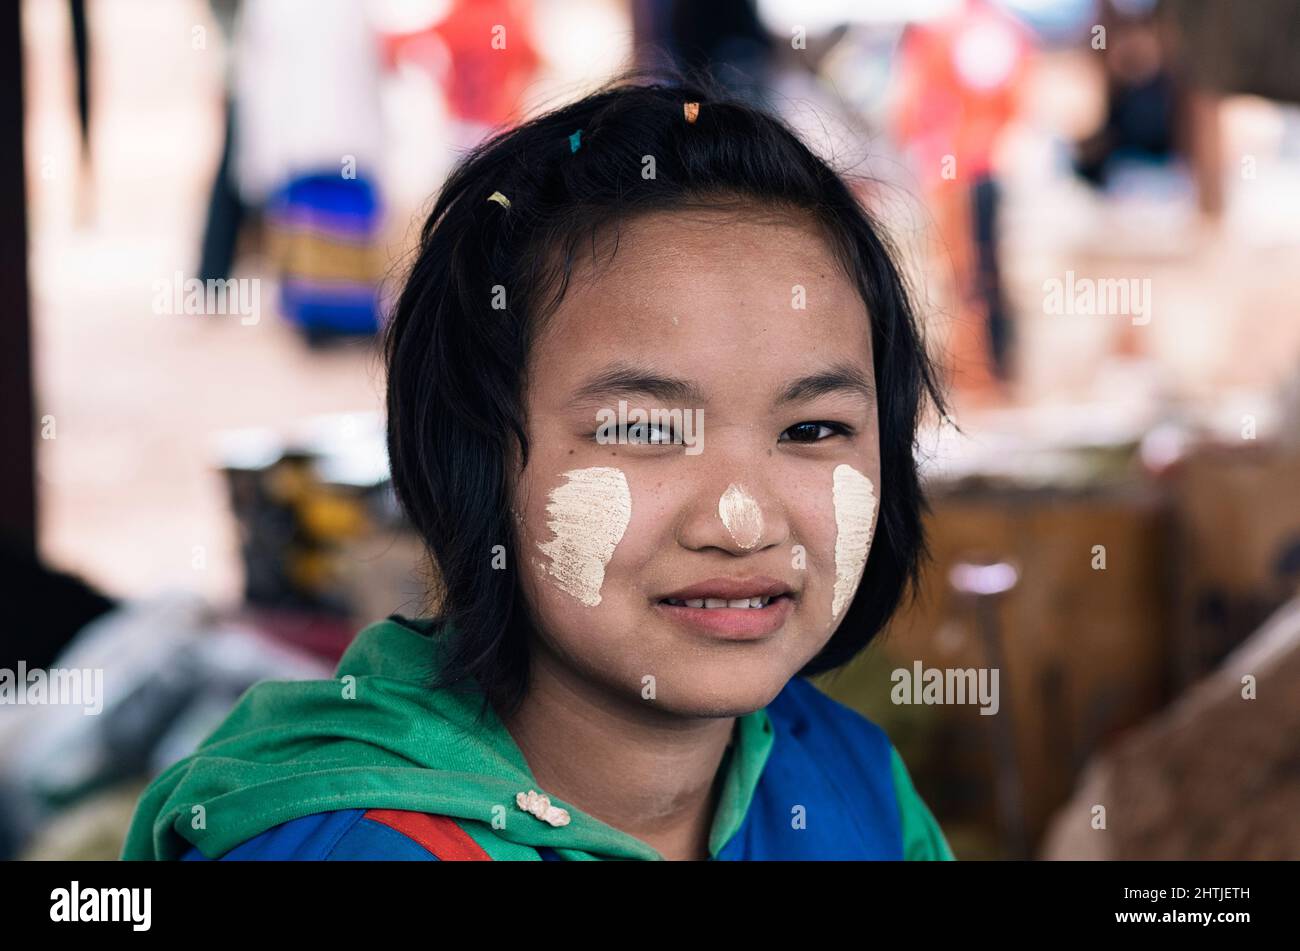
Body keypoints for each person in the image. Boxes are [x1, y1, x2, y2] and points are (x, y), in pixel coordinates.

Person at [121, 77, 954, 861]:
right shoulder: (350, 844)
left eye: (812, 427)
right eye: (646, 428)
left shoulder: (853, 787)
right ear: (473, 452)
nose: (744, 520)